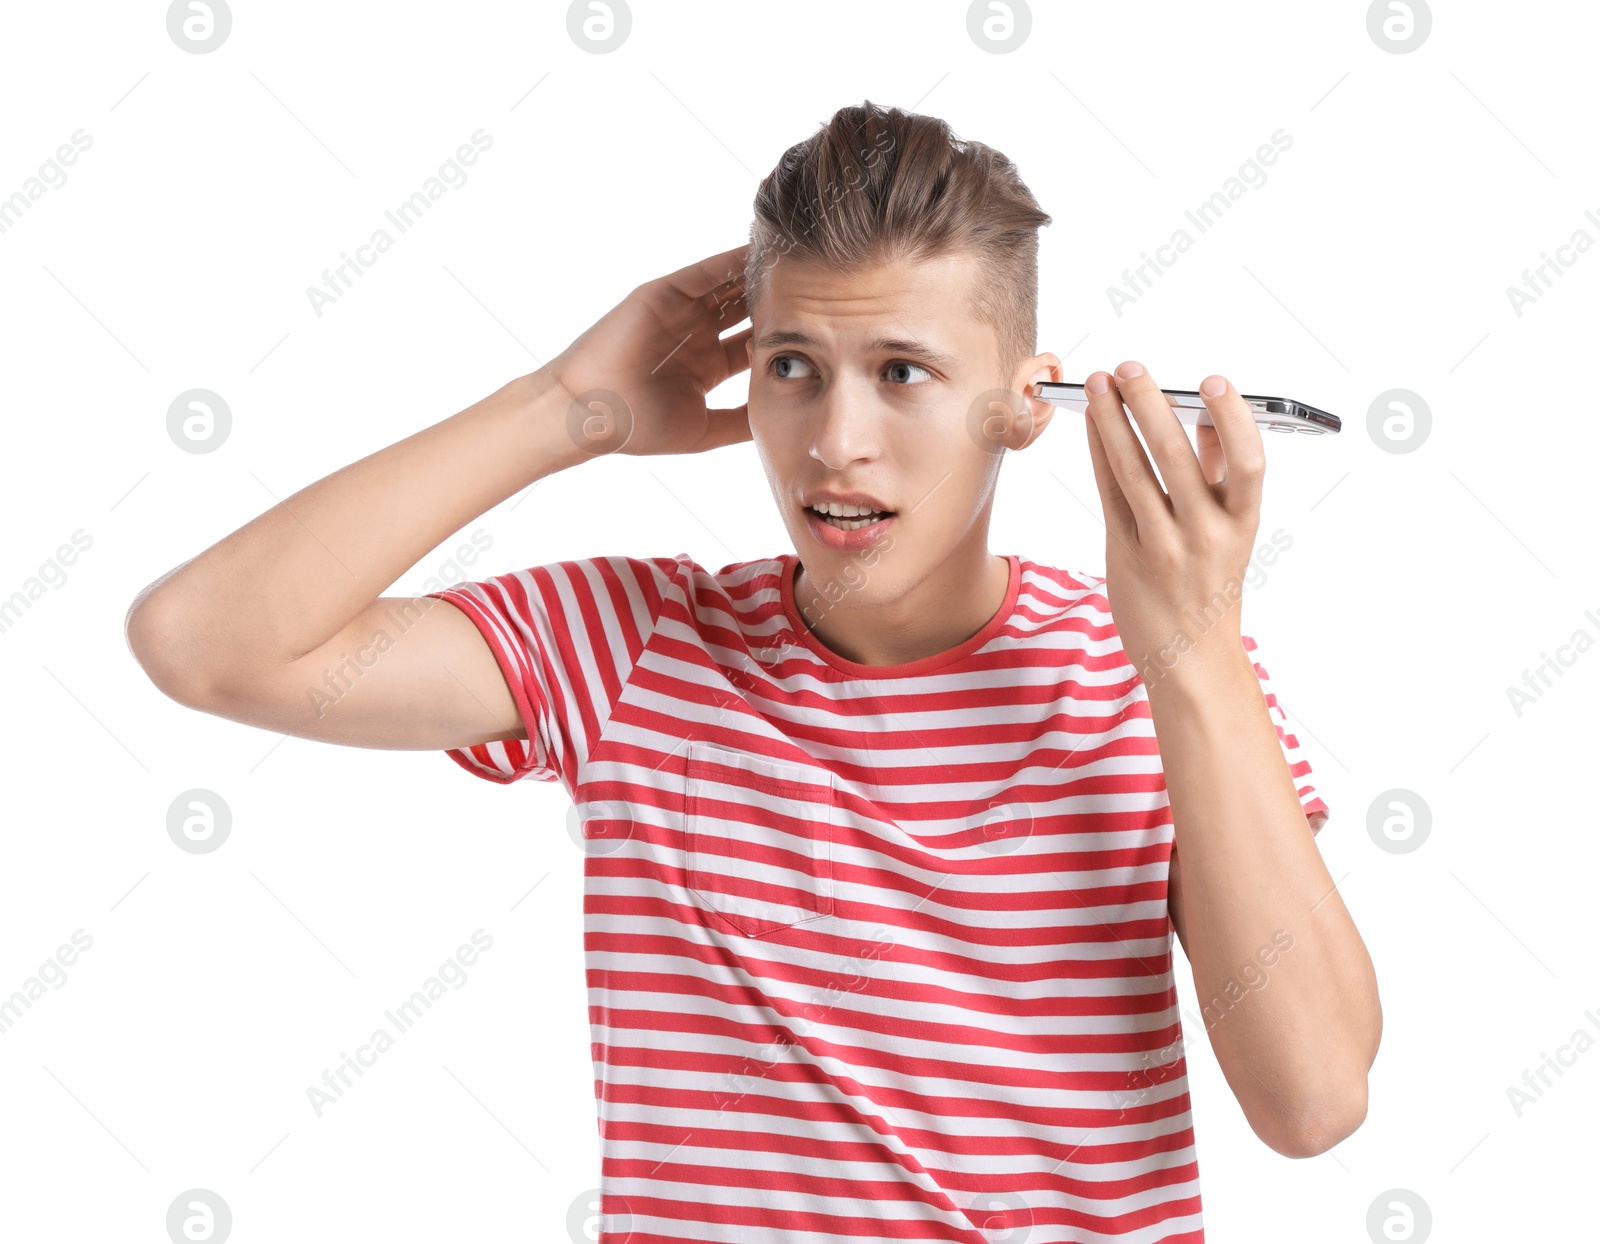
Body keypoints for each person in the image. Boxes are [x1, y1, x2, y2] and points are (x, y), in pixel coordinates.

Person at [125, 99, 1380, 1242]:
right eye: (793, 366)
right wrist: (566, 406)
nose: (834, 443)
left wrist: (1193, 648)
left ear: (1019, 400)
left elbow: (1314, 1098)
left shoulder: (1155, 676)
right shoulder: (632, 645)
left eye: (901, 372)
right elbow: (207, 642)